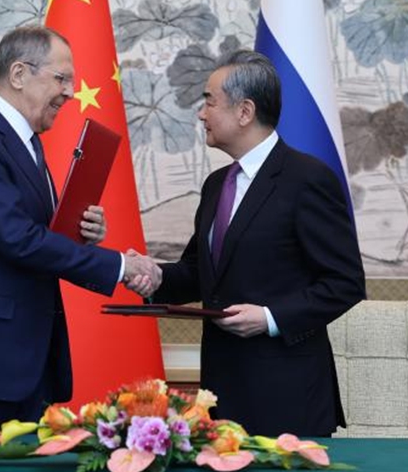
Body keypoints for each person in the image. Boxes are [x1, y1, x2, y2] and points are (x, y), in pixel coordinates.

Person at [0, 25, 159, 435]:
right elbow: (16, 238)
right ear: (19, 74)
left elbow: (29, 233)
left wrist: (82, 234)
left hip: (17, 354)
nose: (70, 92)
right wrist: (120, 267)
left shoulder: (26, 142)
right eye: (61, 78)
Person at [150, 50, 365, 437]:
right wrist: (148, 275)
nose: (201, 114)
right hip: (221, 392)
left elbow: (345, 283)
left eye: (209, 101)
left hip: (286, 396)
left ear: (244, 111)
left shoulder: (307, 179)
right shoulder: (216, 185)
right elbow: (200, 274)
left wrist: (269, 318)